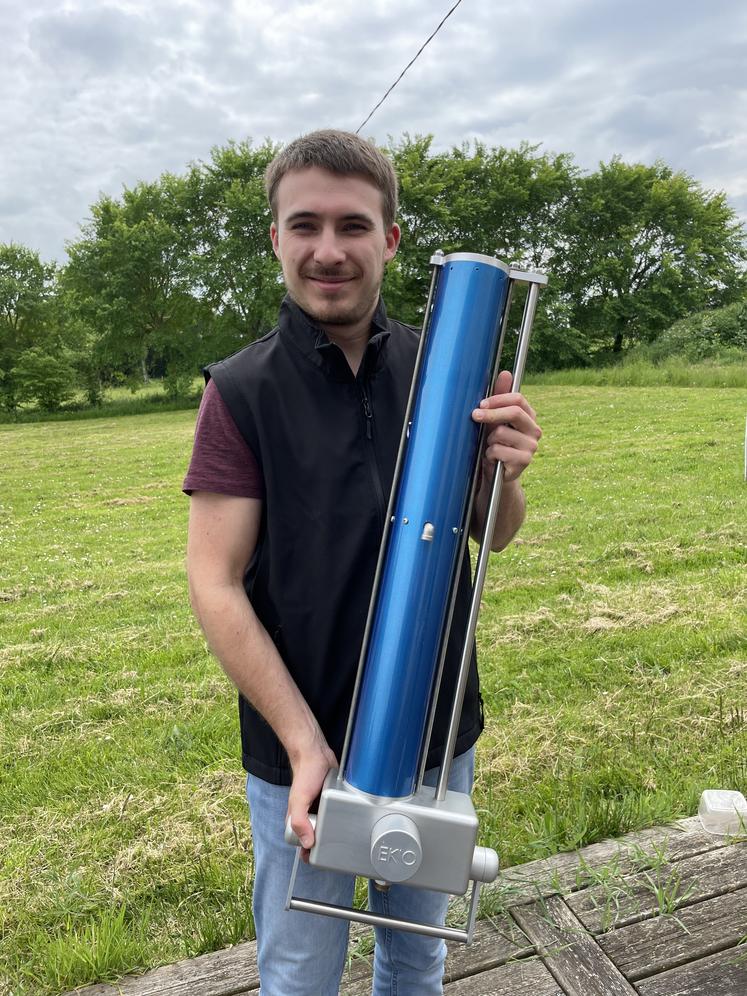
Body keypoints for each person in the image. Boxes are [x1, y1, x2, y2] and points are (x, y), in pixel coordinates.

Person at [184, 129, 541, 995]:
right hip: (296, 748)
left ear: (388, 239)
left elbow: (489, 535)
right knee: (300, 970)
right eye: (304, 225)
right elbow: (215, 581)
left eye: (353, 225)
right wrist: (306, 745)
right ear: (275, 239)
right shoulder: (241, 390)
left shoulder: (442, 364)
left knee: (415, 955)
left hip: (429, 736)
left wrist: (506, 473)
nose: (328, 250)